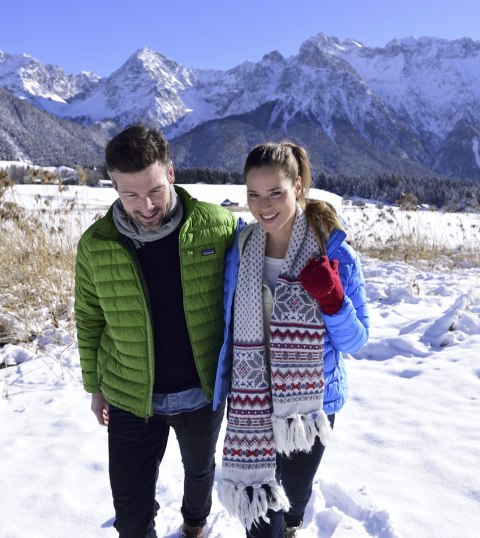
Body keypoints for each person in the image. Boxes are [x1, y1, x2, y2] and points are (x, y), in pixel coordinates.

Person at [74, 125, 238, 538]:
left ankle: (195, 523)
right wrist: (95, 387)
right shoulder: (96, 245)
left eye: (154, 191)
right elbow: (89, 319)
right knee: (130, 517)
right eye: (130, 194)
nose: (145, 206)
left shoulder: (217, 228)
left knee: (199, 471)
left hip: (201, 392)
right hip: (130, 395)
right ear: (113, 185)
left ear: (171, 173)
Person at [213, 141, 369, 538]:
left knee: (295, 493)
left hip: (310, 403)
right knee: (262, 507)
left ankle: (294, 525)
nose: (263, 205)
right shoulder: (243, 246)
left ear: (297, 186)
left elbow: (356, 341)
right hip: (253, 394)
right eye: (253, 194)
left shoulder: (334, 251)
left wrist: (333, 301)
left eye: (275, 193)